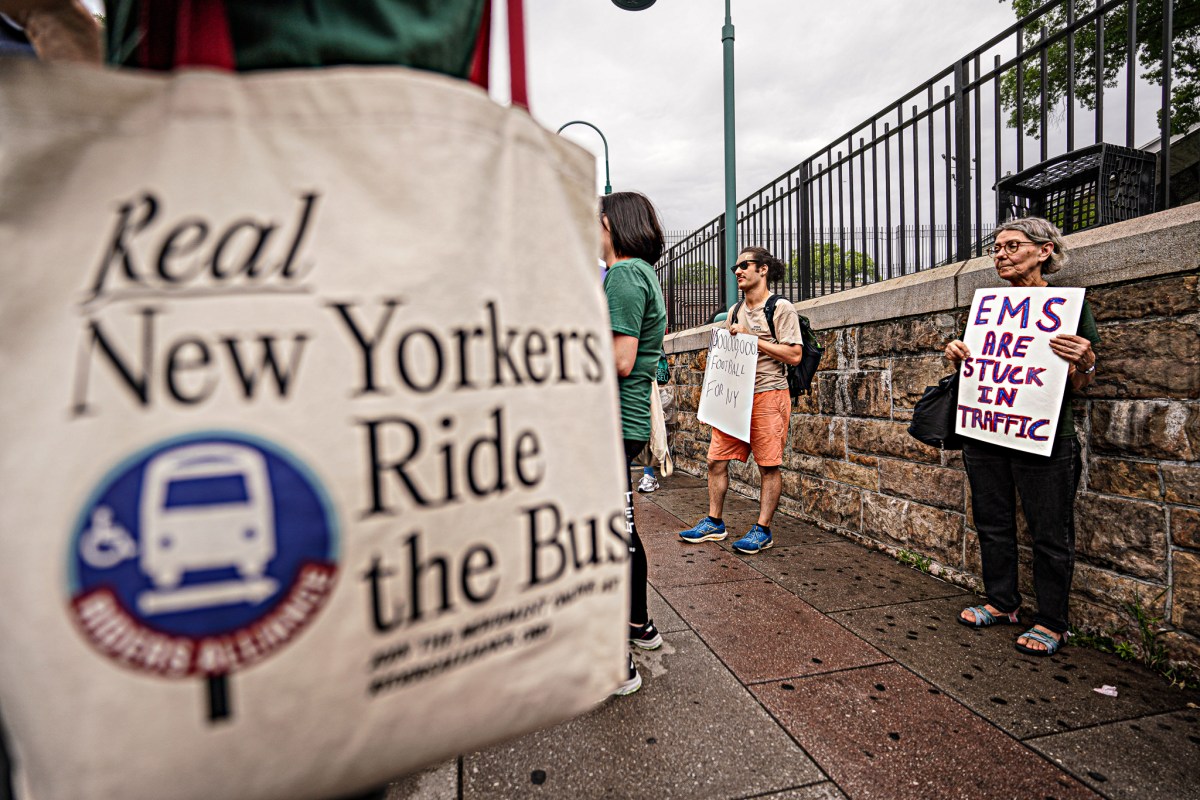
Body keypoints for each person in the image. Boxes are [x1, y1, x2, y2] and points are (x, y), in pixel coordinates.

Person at [944, 217, 1099, 657]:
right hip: (987, 431)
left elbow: (1083, 380)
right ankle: (1003, 602)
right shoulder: (987, 308)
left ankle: (1052, 621)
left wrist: (1084, 361)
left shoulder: (1068, 307)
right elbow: (981, 364)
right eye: (996, 247)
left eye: (1013, 245)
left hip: (1044, 436)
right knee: (992, 522)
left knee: (1050, 531)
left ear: (1044, 251)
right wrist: (957, 354)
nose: (1001, 254)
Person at [678, 247, 805, 554]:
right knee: (714, 460)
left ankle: (762, 530)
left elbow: (795, 355)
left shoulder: (780, 308)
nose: (737, 270)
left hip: (768, 395)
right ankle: (714, 522)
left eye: (744, 265)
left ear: (763, 269)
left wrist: (753, 339)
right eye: (735, 266)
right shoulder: (734, 311)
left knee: (768, 465)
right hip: (735, 398)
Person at [600, 191, 667, 696]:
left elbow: (620, 360)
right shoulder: (644, 274)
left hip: (610, 418)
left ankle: (613, 660)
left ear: (609, 223)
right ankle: (639, 625)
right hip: (628, 420)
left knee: (606, 532)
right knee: (621, 522)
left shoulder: (623, 275)